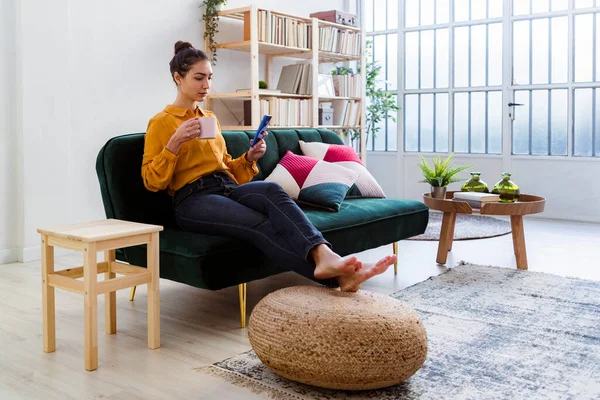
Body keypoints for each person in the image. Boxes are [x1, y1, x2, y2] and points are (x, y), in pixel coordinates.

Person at [141, 41, 396, 292]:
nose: (206, 85)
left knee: (272, 190)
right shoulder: (161, 123)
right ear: (178, 77)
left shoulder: (210, 118)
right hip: (193, 199)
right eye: (198, 78)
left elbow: (227, 167)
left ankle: (325, 255)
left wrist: (250, 158)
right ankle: (337, 278)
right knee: (259, 222)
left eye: (209, 77)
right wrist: (174, 143)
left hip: (227, 188)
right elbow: (152, 181)